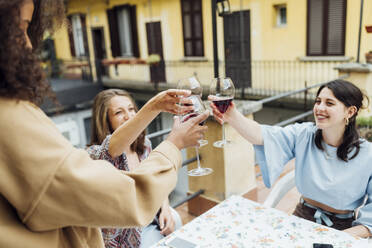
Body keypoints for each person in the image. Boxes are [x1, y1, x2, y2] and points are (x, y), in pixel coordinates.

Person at [0, 0, 209, 247]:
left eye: (132, 109)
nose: (28, 44)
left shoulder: (145, 146)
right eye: (21, 27)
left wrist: (152, 108)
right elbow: (125, 181)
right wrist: (174, 143)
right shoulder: (12, 119)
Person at [210, 79, 372, 238]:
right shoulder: (303, 134)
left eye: (329, 103)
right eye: (318, 101)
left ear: (350, 112)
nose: (319, 108)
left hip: (343, 229)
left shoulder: (368, 155)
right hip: (302, 217)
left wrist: (338, 238)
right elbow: (263, 135)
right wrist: (232, 115)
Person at [87, 89, 184, 248]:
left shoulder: (145, 144)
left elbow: (156, 179)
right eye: (119, 112)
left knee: (175, 218)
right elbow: (112, 149)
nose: (129, 116)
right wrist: (154, 106)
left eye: (131, 109)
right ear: (105, 120)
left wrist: (165, 208)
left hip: (152, 217)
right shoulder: (95, 155)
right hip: (127, 236)